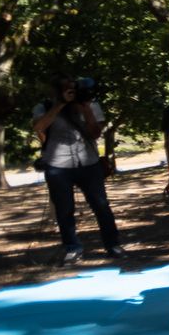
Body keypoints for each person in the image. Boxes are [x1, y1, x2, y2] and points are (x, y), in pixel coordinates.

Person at [32, 75, 124, 264]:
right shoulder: (44, 107)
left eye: (73, 88)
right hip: (57, 164)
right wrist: (59, 105)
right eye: (66, 89)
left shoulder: (90, 104)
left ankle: (113, 245)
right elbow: (39, 128)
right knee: (64, 209)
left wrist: (86, 109)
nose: (70, 92)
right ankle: (72, 248)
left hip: (88, 163)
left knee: (101, 205)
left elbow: (95, 133)